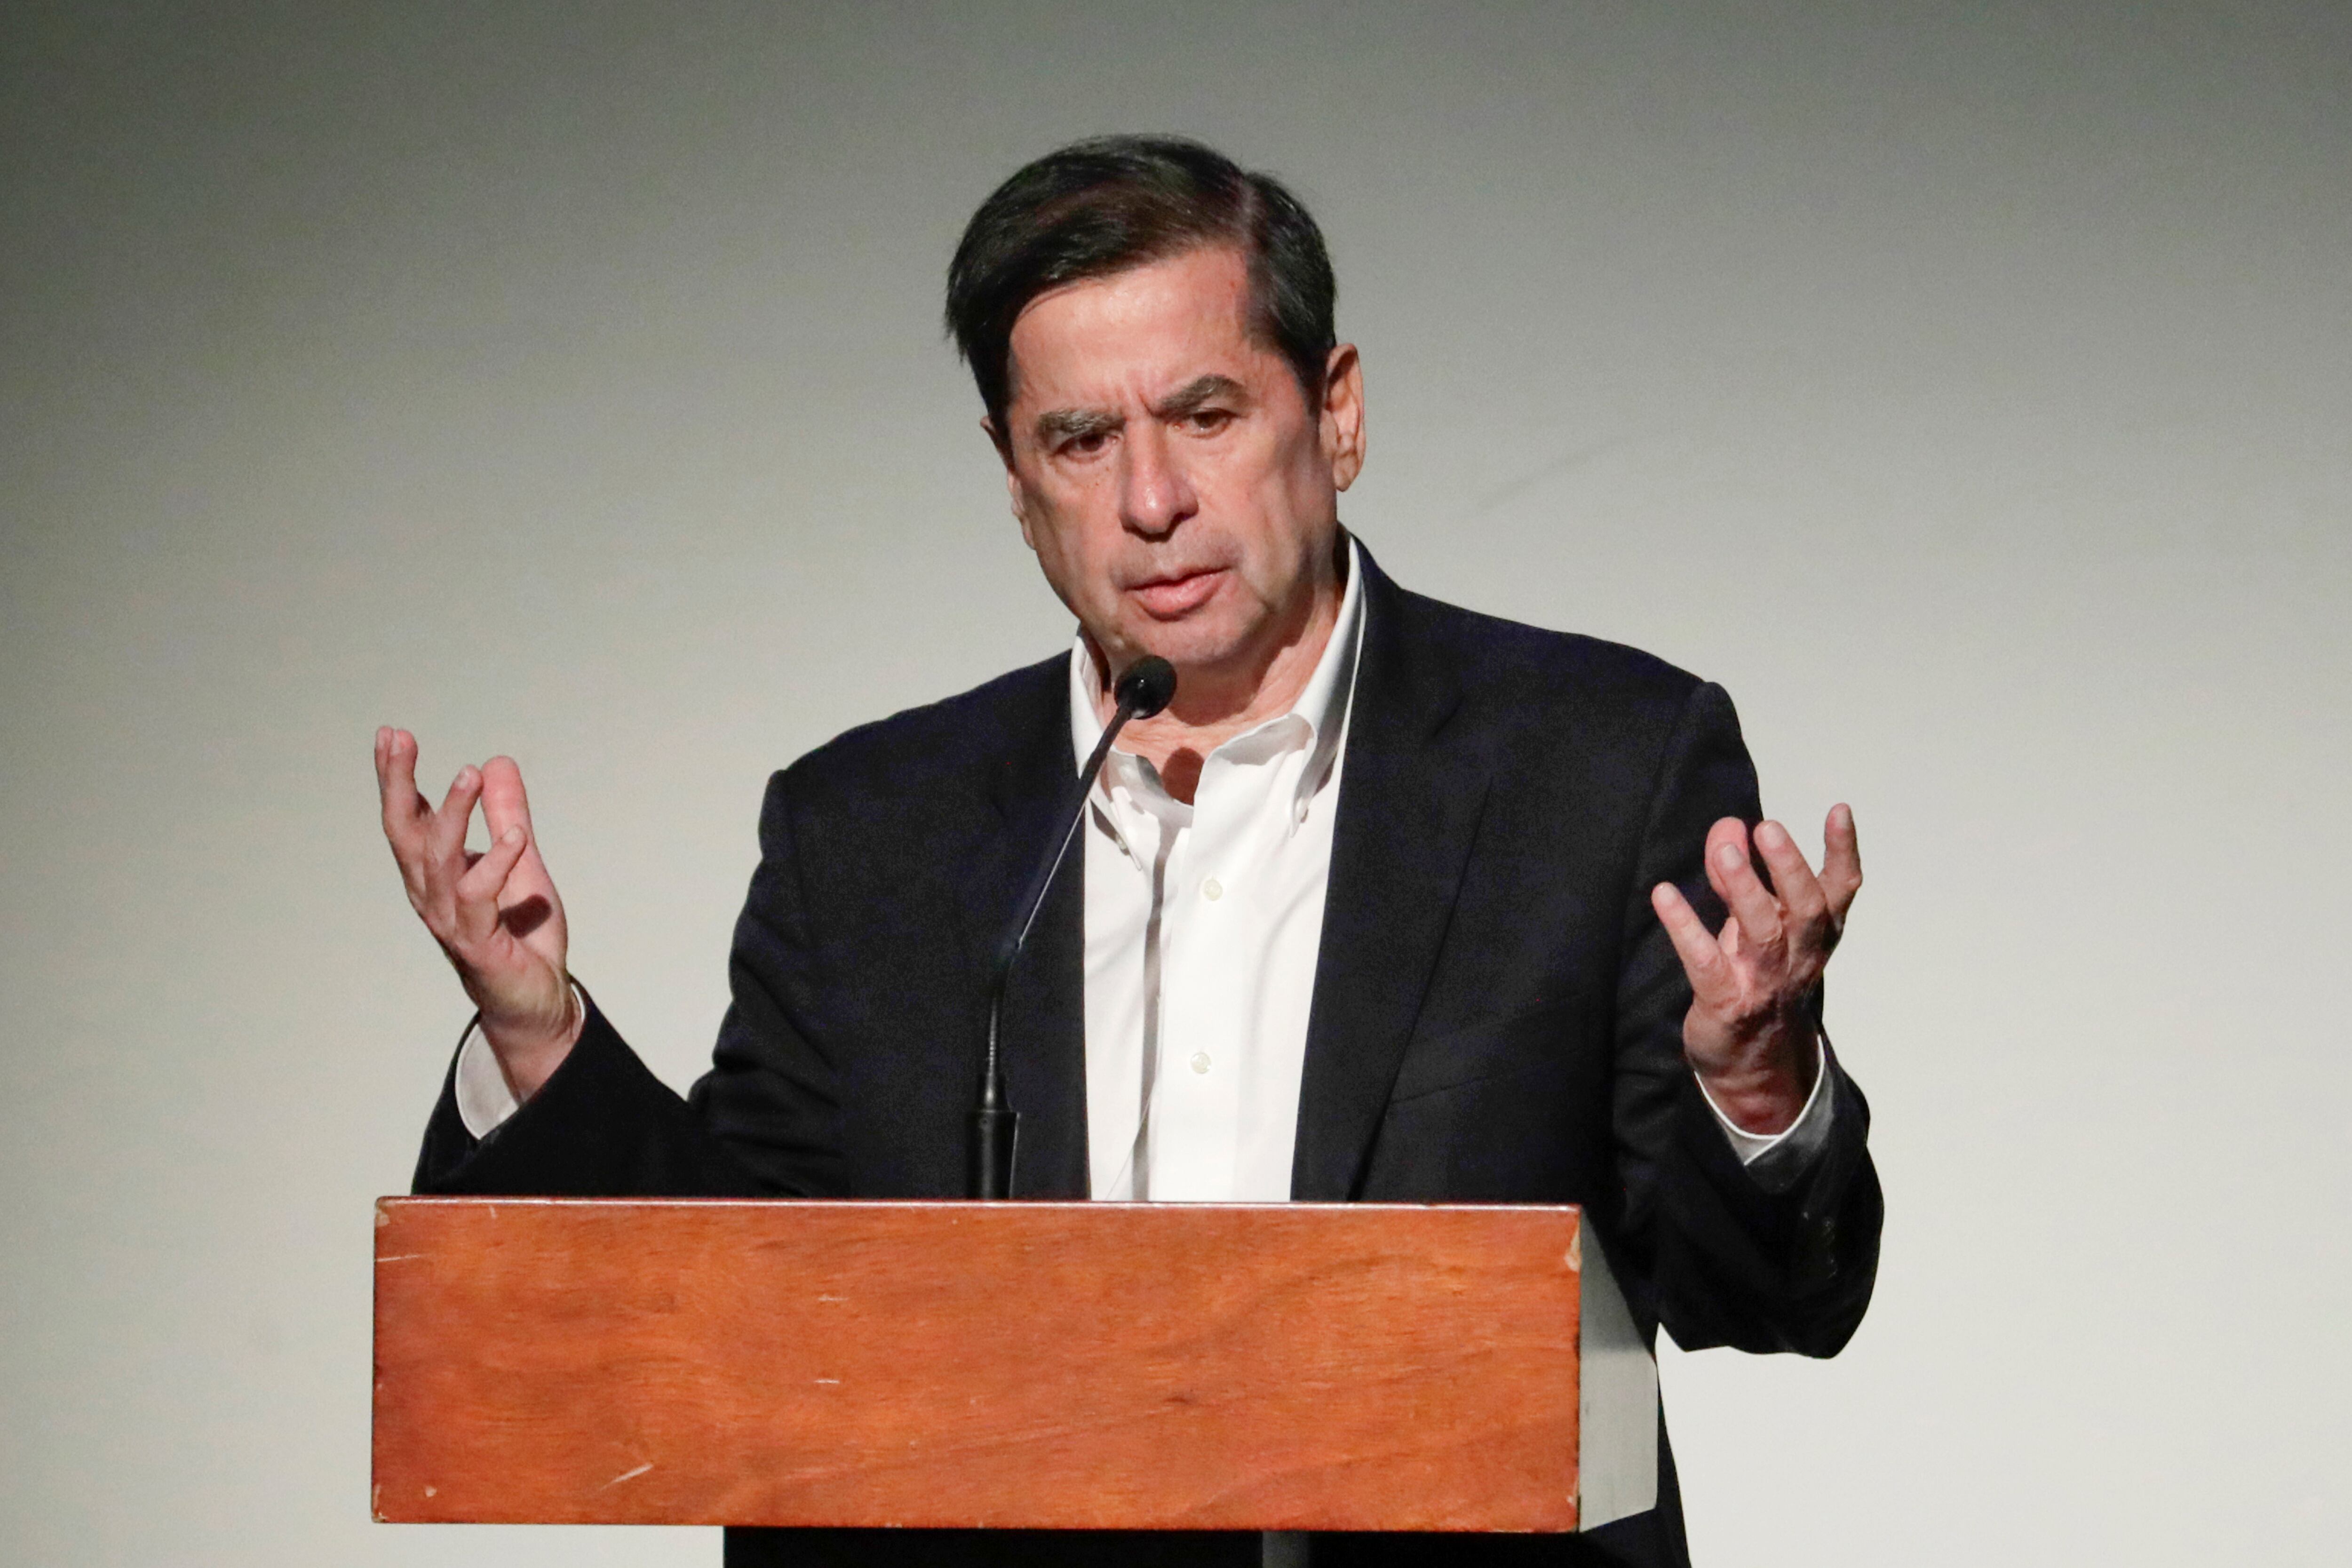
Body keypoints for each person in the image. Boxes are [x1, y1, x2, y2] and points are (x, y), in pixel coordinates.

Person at [375, 135, 1880, 1568]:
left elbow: (1767, 1300)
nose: (1152, 503)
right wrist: (538, 1038)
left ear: (1337, 413)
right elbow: (739, 1297)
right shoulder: (871, 832)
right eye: (1083, 441)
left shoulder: (1598, 767)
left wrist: (1754, 1089)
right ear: (1012, 475)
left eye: (1206, 417)